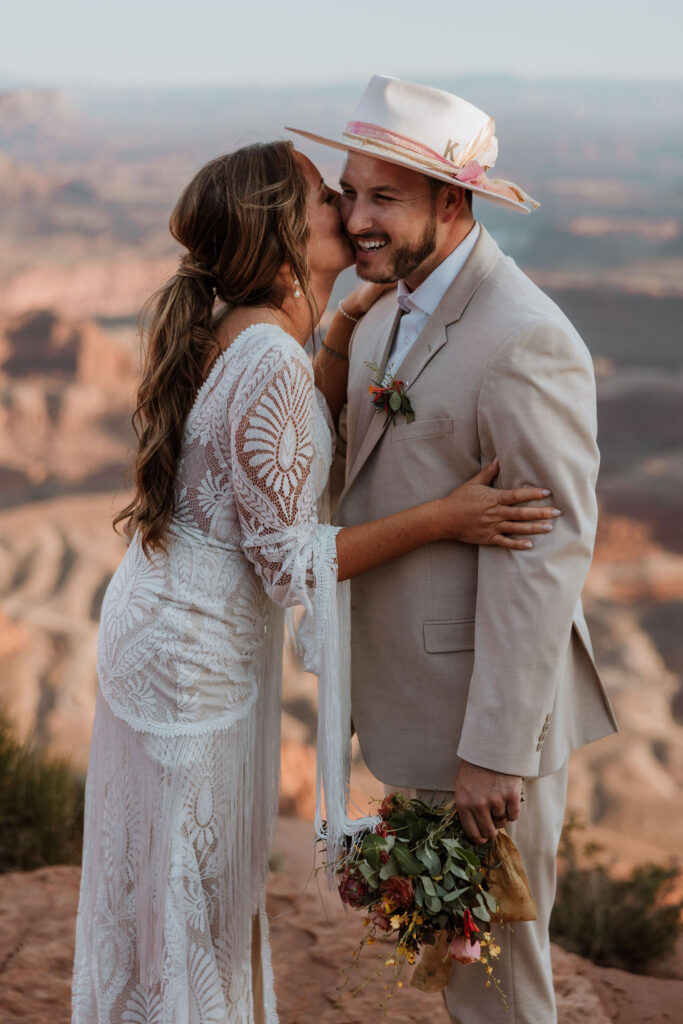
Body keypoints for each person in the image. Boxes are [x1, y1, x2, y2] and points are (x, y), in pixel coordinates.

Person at [71, 140, 557, 1024]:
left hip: (175, 625)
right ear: (286, 234)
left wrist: (333, 331)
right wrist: (443, 518)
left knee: (172, 885)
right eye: (329, 199)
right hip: (194, 660)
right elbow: (292, 561)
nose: (350, 211)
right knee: (190, 891)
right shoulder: (267, 360)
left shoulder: (257, 333)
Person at [288, 75, 618, 1024]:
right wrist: (341, 331)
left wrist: (495, 751)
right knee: (461, 976)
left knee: (502, 989)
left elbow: (545, 549)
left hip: (481, 729)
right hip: (415, 709)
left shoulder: (523, 339)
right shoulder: (391, 307)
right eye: (350, 193)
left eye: (382, 197)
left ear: (451, 201)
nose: (356, 219)